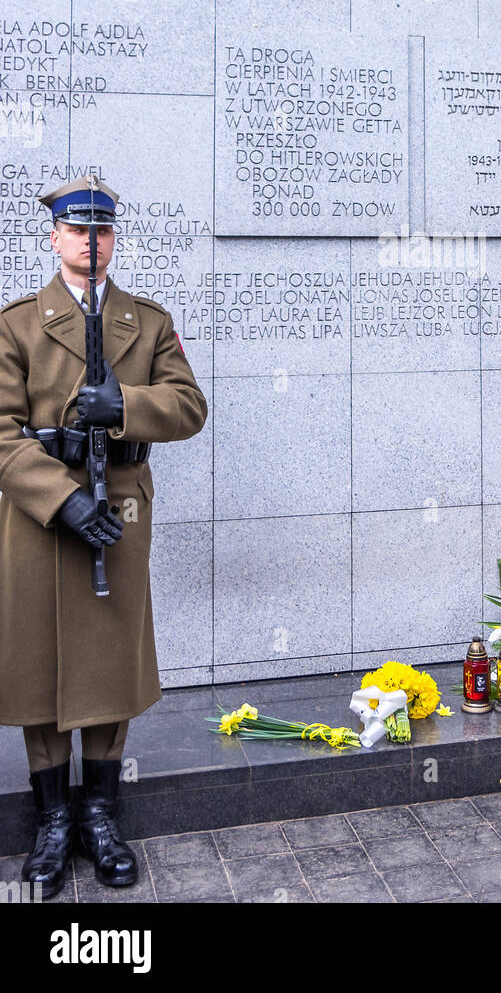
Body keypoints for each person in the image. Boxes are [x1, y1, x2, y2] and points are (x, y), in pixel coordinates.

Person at [0, 173, 208, 899]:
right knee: (41, 665)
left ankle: (100, 814)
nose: (91, 244)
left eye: (103, 231)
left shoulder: (146, 322)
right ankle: (53, 818)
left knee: (108, 662)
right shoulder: (17, 323)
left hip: (119, 505)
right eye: (77, 230)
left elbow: (188, 407)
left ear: (112, 238)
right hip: (41, 517)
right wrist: (59, 499)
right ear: (54, 237)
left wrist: (122, 401)